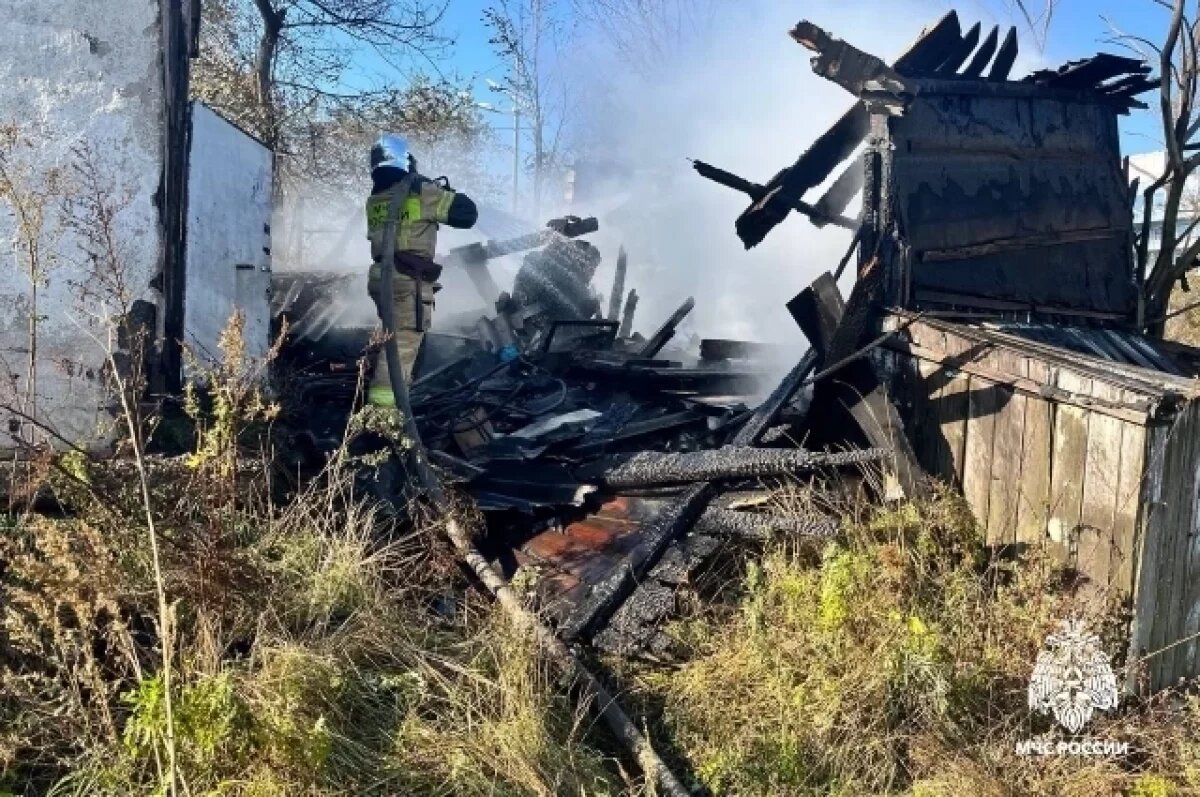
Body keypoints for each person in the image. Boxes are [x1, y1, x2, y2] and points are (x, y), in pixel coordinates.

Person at [364, 134, 478, 408]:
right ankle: (383, 420)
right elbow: (467, 214)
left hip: (382, 278)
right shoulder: (421, 193)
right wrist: (432, 186)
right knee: (400, 349)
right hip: (406, 281)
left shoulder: (376, 199)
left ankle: (398, 402)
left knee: (391, 341)